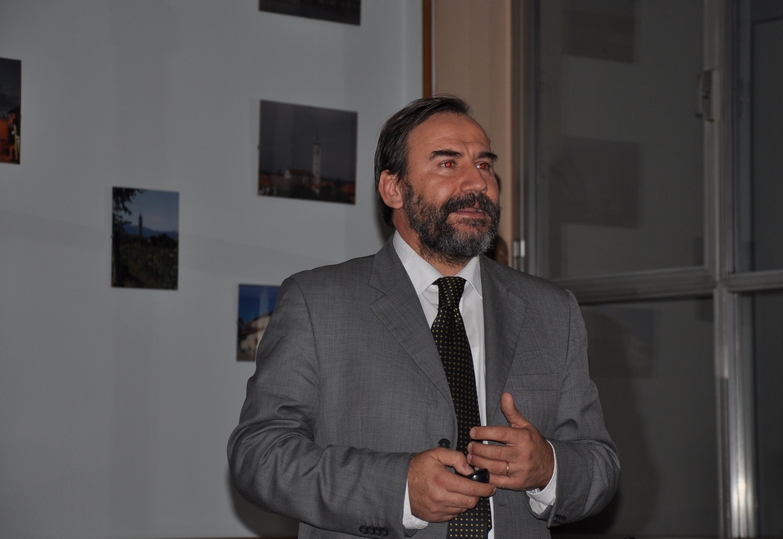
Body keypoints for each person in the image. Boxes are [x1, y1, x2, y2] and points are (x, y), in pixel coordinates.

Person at [228, 95, 619, 539]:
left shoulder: (553, 310)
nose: (478, 183)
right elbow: (257, 454)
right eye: (448, 164)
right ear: (393, 188)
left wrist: (548, 468)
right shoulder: (318, 301)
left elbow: (600, 465)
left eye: (485, 165)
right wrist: (399, 489)